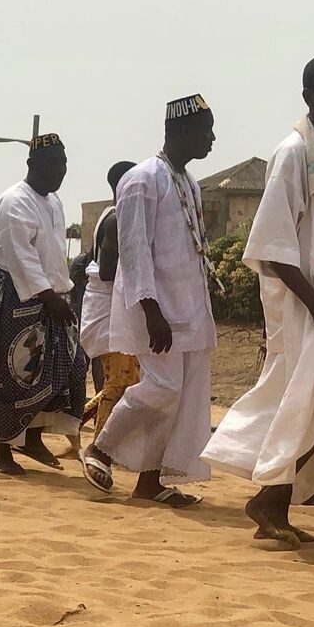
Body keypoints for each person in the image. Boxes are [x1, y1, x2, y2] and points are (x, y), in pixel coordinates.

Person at [203, 54, 314, 548]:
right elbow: (272, 247)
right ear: (308, 95)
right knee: (307, 399)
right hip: (304, 310)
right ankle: (270, 500)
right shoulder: (293, 152)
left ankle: (274, 496)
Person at [85, 97, 218, 507]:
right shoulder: (142, 180)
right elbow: (135, 248)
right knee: (162, 386)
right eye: (205, 130)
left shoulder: (188, 181)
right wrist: (150, 307)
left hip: (188, 306)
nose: (212, 139)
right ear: (181, 132)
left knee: (180, 394)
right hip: (155, 308)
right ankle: (101, 449)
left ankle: (149, 480)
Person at [0, 134, 86, 476]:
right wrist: (48, 296)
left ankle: (33, 437)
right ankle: (2, 451)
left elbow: (51, 256)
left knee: (70, 368)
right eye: (54, 162)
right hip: (17, 296)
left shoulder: (54, 202)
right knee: (17, 373)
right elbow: (22, 258)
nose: (61, 170)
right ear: (32, 165)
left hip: (52, 297)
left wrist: (61, 293)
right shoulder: (13, 201)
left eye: (64, 162)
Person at [80, 161, 139, 437]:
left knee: (129, 380)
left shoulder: (117, 214)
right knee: (120, 380)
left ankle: (76, 423)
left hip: (113, 312)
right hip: (108, 313)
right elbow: (107, 271)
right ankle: (100, 446)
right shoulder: (116, 220)